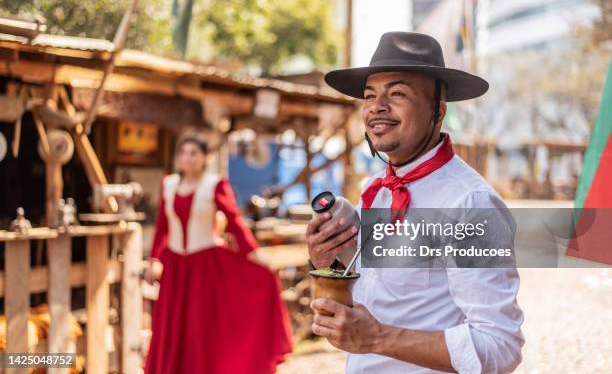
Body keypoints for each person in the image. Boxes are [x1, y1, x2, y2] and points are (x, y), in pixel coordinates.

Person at [306, 32, 524, 373]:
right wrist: (331, 263)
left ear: (437, 111)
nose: (377, 106)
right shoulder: (374, 190)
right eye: (369, 95)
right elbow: (375, 300)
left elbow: (498, 347)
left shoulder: (469, 203)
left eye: (398, 93)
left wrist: (377, 338)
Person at [144, 136, 292, 374]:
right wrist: (154, 260)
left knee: (201, 326)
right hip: (175, 268)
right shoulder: (169, 184)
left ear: (204, 158)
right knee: (174, 328)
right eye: (184, 153)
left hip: (205, 266)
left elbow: (234, 221)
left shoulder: (214, 184)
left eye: (194, 153)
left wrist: (254, 255)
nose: (188, 158)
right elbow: (163, 226)